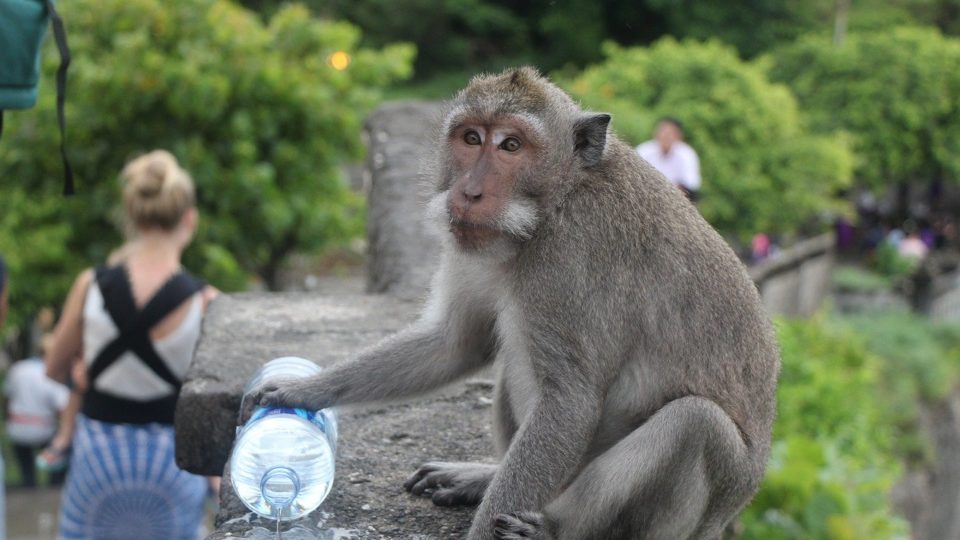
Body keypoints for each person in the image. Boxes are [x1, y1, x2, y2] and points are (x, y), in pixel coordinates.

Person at [44, 150, 218, 540]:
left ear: (133, 218)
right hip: (172, 465)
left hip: (98, 462)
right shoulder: (206, 303)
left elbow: (54, 369)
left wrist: (82, 376)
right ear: (189, 220)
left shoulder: (90, 285)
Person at [4, 334, 70, 487]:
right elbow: (63, 409)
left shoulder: (18, 368)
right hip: (43, 430)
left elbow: (7, 398)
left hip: (17, 428)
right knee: (60, 453)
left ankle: (29, 485)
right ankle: (54, 487)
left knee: (27, 471)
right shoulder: (52, 375)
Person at [636, 117, 702, 202]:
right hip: (646, 196)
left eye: (670, 133)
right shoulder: (644, 150)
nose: (665, 136)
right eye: (662, 131)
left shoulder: (687, 154)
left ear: (678, 136)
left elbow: (692, 185)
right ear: (655, 133)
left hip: (676, 200)